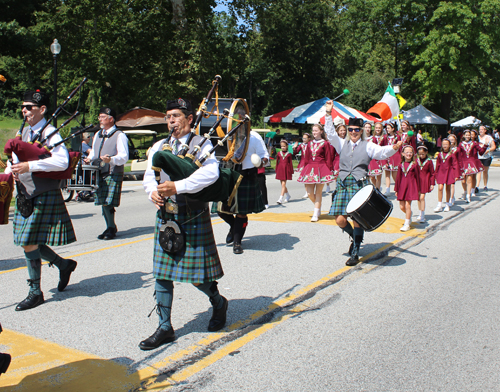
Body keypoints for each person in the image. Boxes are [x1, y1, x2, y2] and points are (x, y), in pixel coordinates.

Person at [140, 98, 227, 350]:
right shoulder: (159, 145)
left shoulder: (203, 144)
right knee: (162, 274)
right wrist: (151, 192)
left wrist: (178, 186)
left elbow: (211, 174)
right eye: (168, 116)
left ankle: (218, 302)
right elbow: (150, 175)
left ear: (190, 119)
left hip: (192, 215)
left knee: (197, 277)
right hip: (166, 215)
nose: (171, 120)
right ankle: (164, 326)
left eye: (176, 116)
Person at [6, 90, 77, 311]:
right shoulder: (25, 131)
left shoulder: (51, 132)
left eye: (29, 107)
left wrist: (30, 166)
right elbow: (16, 159)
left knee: (28, 241)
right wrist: (11, 171)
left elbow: (62, 162)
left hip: (42, 193)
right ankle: (63, 265)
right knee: (29, 240)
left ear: (42, 109)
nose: (24, 110)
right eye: (23, 107)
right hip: (25, 192)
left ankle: (35, 292)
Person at [324, 100, 402, 266]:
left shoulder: (368, 145)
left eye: (356, 130)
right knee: (340, 220)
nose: (353, 132)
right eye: (351, 129)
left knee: (357, 219)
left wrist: (394, 147)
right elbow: (330, 133)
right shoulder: (340, 143)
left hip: (359, 185)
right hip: (343, 185)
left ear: (361, 131)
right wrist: (328, 114)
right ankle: (354, 237)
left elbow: (381, 153)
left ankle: (355, 251)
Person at [216, 128, 269, 254]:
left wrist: (261, 162)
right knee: (220, 210)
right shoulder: (225, 136)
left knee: (241, 212)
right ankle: (235, 227)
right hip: (227, 173)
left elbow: (264, 156)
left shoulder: (254, 136)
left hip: (246, 175)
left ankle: (237, 242)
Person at [84, 107, 128, 240]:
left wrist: (111, 159)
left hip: (112, 171)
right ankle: (110, 226)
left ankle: (110, 227)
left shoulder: (120, 135)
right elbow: (94, 151)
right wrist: (89, 158)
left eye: (102, 117)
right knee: (102, 201)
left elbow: (124, 156)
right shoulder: (98, 134)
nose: (100, 119)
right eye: (99, 117)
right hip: (99, 171)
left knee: (107, 201)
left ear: (111, 119)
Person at [297, 123, 334, 222]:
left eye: (316, 130)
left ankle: (315, 212)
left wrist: (329, 170)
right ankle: (318, 205)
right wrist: (304, 170)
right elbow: (306, 157)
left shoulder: (325, 143)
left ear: (321, 131)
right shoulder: (309, 143)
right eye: (313, 131)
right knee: (309, 193)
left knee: (318, 192)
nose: (314, 132)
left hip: (321, 168)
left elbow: (328, 158)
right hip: (310, 168)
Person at [395, 145, 420, 231]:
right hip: (402, 186)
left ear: (413, 154)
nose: (409, 154)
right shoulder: (400, 165)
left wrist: (419, 190)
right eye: (407, 152)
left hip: (411, 187)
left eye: (410, 152)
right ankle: (409, 214)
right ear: (403, 154)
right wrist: (396, 189)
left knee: (407, 205)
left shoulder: (415, 165)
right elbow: (398, 178)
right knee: (402, 207)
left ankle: (407, 224)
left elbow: (418, 177)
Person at [456, 130, 486, 203]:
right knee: (463, 181)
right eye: (466, 135)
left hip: (471, 163)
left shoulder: (474, 143)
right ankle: (465, 191)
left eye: (469, 135)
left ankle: (468, 195)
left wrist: (485, 146)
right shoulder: (460, 144)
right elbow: (458, 154)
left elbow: (481, 152)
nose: (467, 136)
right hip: (463, 163)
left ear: (471, 136)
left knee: (469, 179)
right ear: (463, 136)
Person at [434, 139, 459, 212]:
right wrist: (436, 174)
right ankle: (439, 205)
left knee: (448, 189)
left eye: (446, 144)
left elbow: (455, 164)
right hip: (441, 172)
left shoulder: (452, 154)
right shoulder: (439, 154)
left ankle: (447, 204)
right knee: (440, 188)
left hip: (449, 172)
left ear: (449, 145)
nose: (445, 146)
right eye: (443, 144)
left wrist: (456, 175)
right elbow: (438, 164)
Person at [416, 146, 435, 223]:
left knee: (422, 197)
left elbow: (432, 173)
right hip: (417, 181)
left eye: (423, 154)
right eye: (419, 154)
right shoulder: (416, 160)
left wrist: (432, 183)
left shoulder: (429, 161)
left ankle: (423, 214)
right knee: (418, 197)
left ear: (426, 152)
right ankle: (420, 212)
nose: (421, 156)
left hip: (425, 181)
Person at [368, 122, 386, 190]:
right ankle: (377, 187)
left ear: (381, 129)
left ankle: (378, 190)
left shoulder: (384, 137)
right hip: (372, 158)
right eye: (376, 128)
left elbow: (385, 147)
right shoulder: (371, 137)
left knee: (379, 175)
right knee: (372, 176)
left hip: (380, 158)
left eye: (379, 128)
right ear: (374, 129)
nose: (378, 129)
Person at [477, 125, 496, 191]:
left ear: (485, 130)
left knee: (485, 171)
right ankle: (477, 186)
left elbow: (493, 147)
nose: (481, 131)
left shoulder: (489, 137)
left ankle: (485, 185)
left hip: (487, 157)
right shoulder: (477, 138)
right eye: (479, 129)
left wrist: (488, 150)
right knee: (479, 171)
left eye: (482, 129)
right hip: (478, 156)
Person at [383, 122, 400, 195]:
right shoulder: (385, 137)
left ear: (393, 129)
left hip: (395, 157)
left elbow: (400, 147)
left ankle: (398, 188)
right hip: (387, 156)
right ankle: (387, 190)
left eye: (389, 128)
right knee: (387, 174)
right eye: (386, 128)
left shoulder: (397, 137)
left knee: (394, 175)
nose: (387, 129)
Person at [275, 140, 293, 204]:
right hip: (280, 169)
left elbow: (290, 163)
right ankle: (288, 195)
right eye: (281, 146)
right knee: (282, 185)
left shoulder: (289, 154)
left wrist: (291, 171)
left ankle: (280, 198)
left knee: (283, 184)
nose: (283, 147)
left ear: (287, 146)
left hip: (286, 169)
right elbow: (277, 162)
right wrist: (276, 169)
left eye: (284, 146)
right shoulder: (279, 153)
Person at [293, 133, 311, 198]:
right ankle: (307, 192)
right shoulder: (301, 145)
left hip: (310, 163)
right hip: (303, 163)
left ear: (309, 139)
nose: (304, 139)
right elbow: (296, 152)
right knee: (304, 178)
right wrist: (294, 148)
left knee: (310, 178)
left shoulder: (311, 144)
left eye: (305, 138)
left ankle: (310, 190)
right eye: (303, 138)